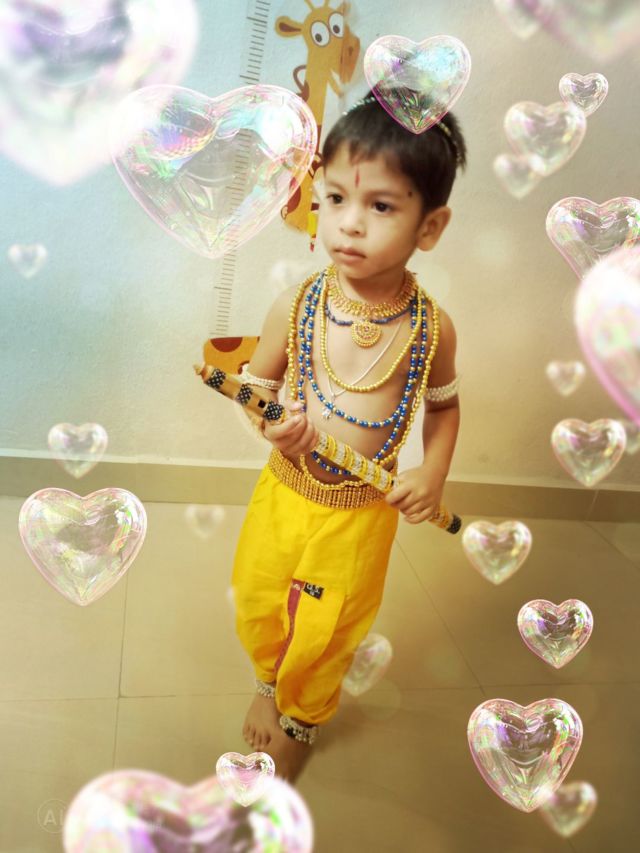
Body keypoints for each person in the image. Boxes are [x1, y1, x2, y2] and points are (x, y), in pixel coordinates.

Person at [231, 89, 466, 784]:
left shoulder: (430, 328)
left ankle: (302, 713)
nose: (349, 224)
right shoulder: (297, 304)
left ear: (430, 226)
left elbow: (446, 409)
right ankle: (268, 681)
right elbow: (255, 386)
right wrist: (271, 422)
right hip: (285, 492)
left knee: (329, 621)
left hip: (361, 515)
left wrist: (432, 473)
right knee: (261, 593)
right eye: (335, 198)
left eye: (381, 206)